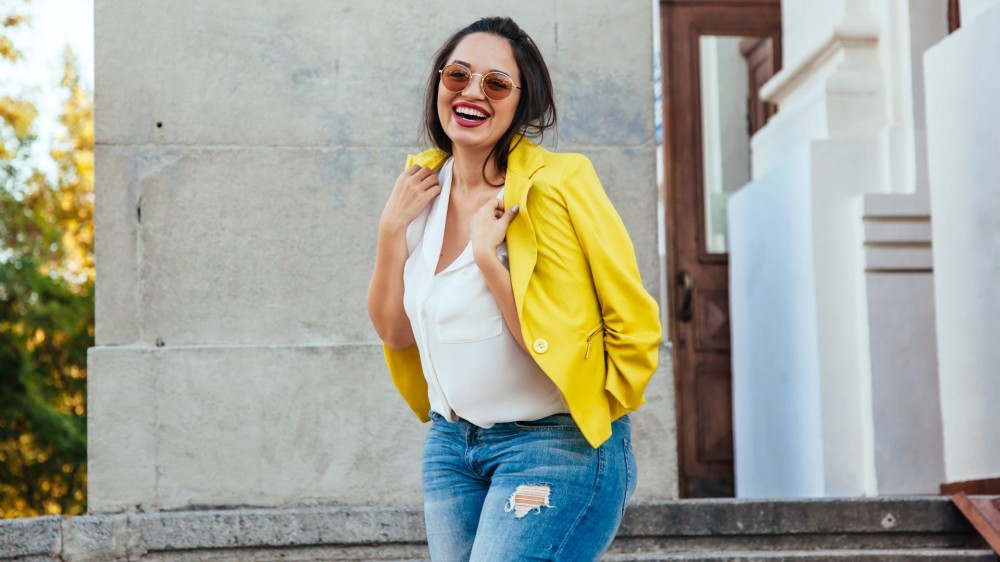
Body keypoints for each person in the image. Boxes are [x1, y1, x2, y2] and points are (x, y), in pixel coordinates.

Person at [367, 16, 661, 562]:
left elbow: (618, 321)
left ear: (521, 104)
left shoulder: (558, 185)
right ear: (438, 84)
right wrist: (390, 230)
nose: (472, 92)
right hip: (453, 448)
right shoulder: (419, 190)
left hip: (553, 446)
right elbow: (393, 331)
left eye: (496, 83)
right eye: (458, 75)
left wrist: (488, 260)